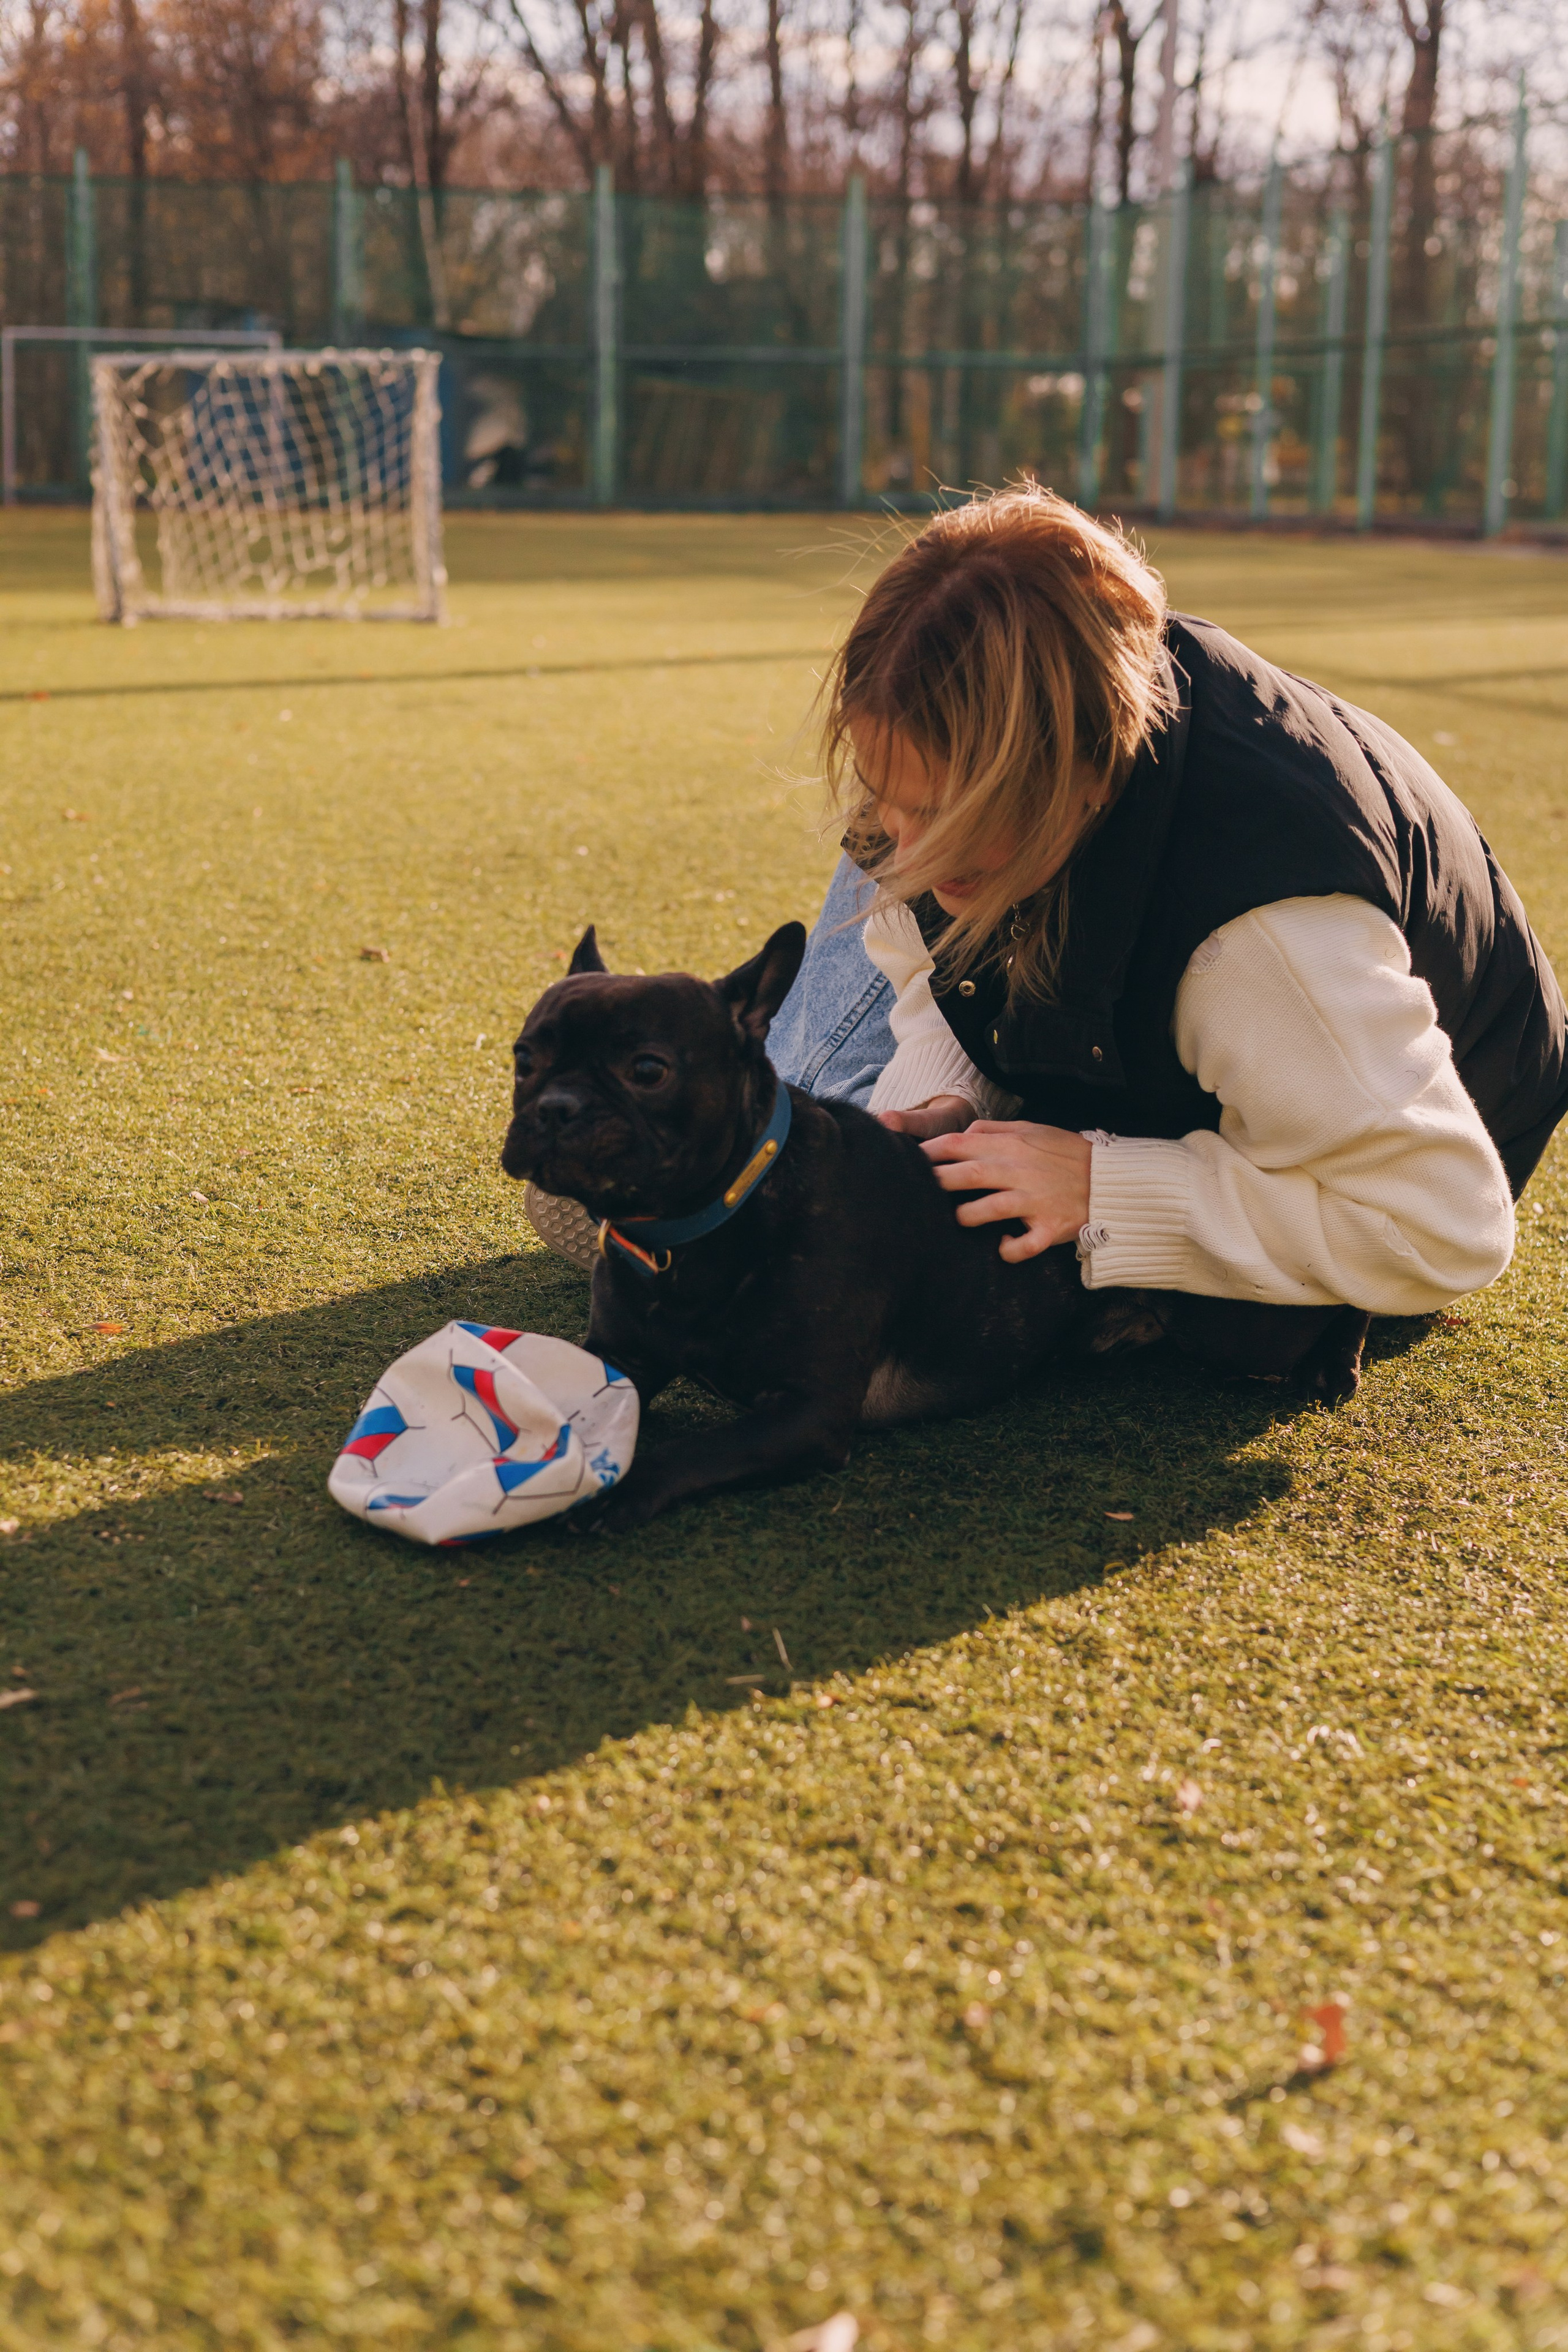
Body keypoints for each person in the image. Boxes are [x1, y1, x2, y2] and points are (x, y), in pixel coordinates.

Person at [766, 483, 1567, 1329]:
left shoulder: (1261, 939)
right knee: (818, 1177)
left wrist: (1104, 1189)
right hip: (1159, 1015)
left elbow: (1448, 1229)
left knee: (796, 1196)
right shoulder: (955, 804)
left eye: (951, 817)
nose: (912, 853)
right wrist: (947, 1096)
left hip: (1379, 1131)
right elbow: (951, 981)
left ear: (1088, 767)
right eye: (888, 795)